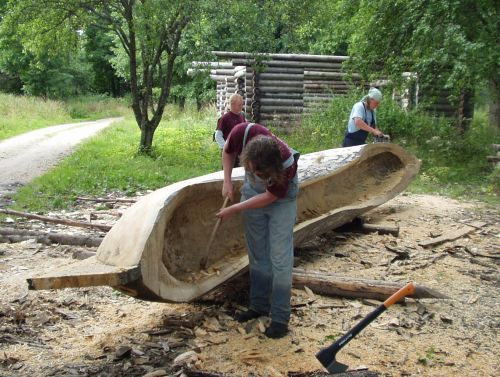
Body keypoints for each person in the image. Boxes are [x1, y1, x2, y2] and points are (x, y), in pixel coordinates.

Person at [216, 122, 299, 339]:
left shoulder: (287, 163)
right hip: (252, 193)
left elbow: (270, 197)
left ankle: (280, 317)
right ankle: (258, 305)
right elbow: (227, 151)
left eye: (259, 172)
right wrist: (227, 181)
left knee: (280, 259)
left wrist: (234, 208)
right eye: (251, 168)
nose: (254, 173)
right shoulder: (241, 132)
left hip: (281, 200)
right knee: (258, 255)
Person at [214, 94, 245, 166]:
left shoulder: (241, 117)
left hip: (240, 152)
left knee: (238, 175)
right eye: (239, 105)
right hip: (229, 154)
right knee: (228, 174)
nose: (241, 106)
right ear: (232, 104)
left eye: (241, 104)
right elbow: (218, 136)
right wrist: (226, 148)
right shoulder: (224, 118)